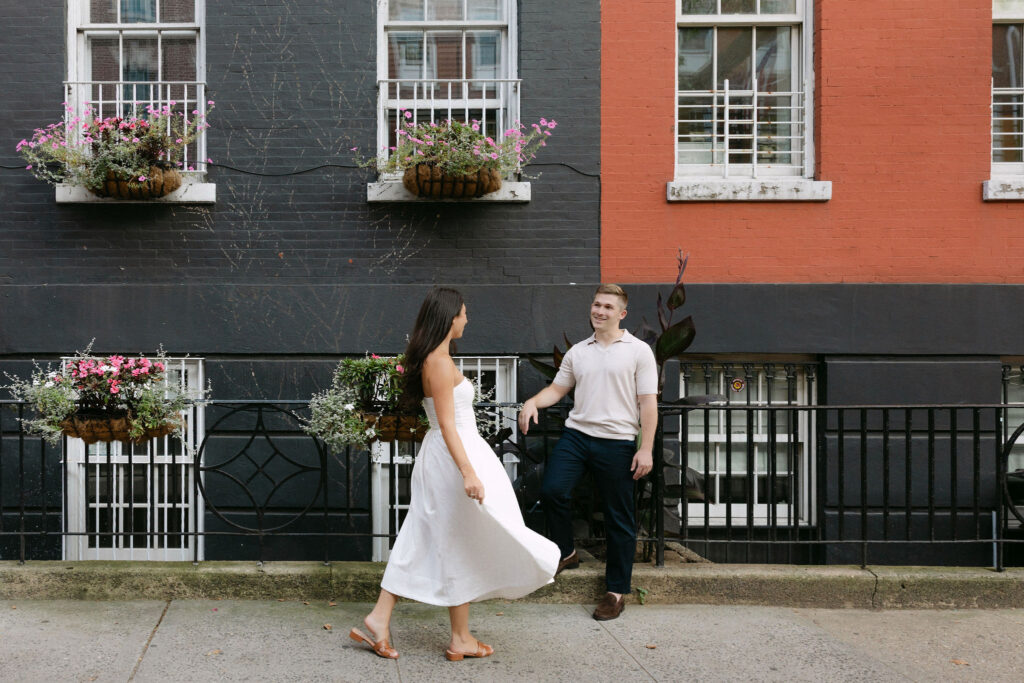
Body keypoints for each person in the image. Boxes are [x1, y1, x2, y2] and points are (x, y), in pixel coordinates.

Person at [351, 287, 560, 661]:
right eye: (463, 313)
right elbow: (447, 424)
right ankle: (435, 631)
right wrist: (468, 472)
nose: (467, 319)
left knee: (449, 537)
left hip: (454, 453)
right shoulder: (438, 361)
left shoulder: (439, 357)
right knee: (444, 535)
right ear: (449, 318)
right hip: (452, 457)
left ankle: (405, 624)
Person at [517, 284, 658, 621]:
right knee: (552, 490)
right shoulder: (578, 352)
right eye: (596, 305)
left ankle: (615, 591)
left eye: (608, 307)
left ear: (621, 314)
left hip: (619, 441)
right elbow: (557, 389)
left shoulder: (638, 351)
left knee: (618, 517)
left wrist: (647, 448)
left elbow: (648, 403)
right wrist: (532, 401)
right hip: (578, 436)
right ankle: (567, 552)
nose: (600, 311)